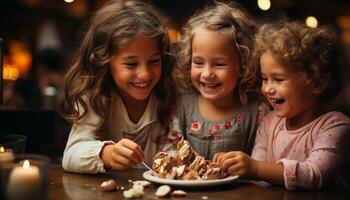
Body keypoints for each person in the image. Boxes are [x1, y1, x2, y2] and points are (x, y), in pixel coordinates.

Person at [214, 21, 350, 190]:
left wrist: (254, 168)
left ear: (316, 82)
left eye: (278, 80)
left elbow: (314, 175)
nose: (267, 89)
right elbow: (259, 179)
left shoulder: (335, 126)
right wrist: (233, 166)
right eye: (265, 78)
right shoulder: (270, 123)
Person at [60, 0, 176, 173]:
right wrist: (107, 154)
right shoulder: (95, 97)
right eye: (131, 64)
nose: (144, 74)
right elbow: (70, 156)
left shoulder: (168, 93)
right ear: (104, 62)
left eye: (153, 61)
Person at [165, 1, 269, 159]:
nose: (206, 74)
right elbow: (169, 148)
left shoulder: (258, 112)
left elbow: (262, 161)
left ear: (243, 65)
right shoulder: (181, 106)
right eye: (198, 63)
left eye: (219, 64)